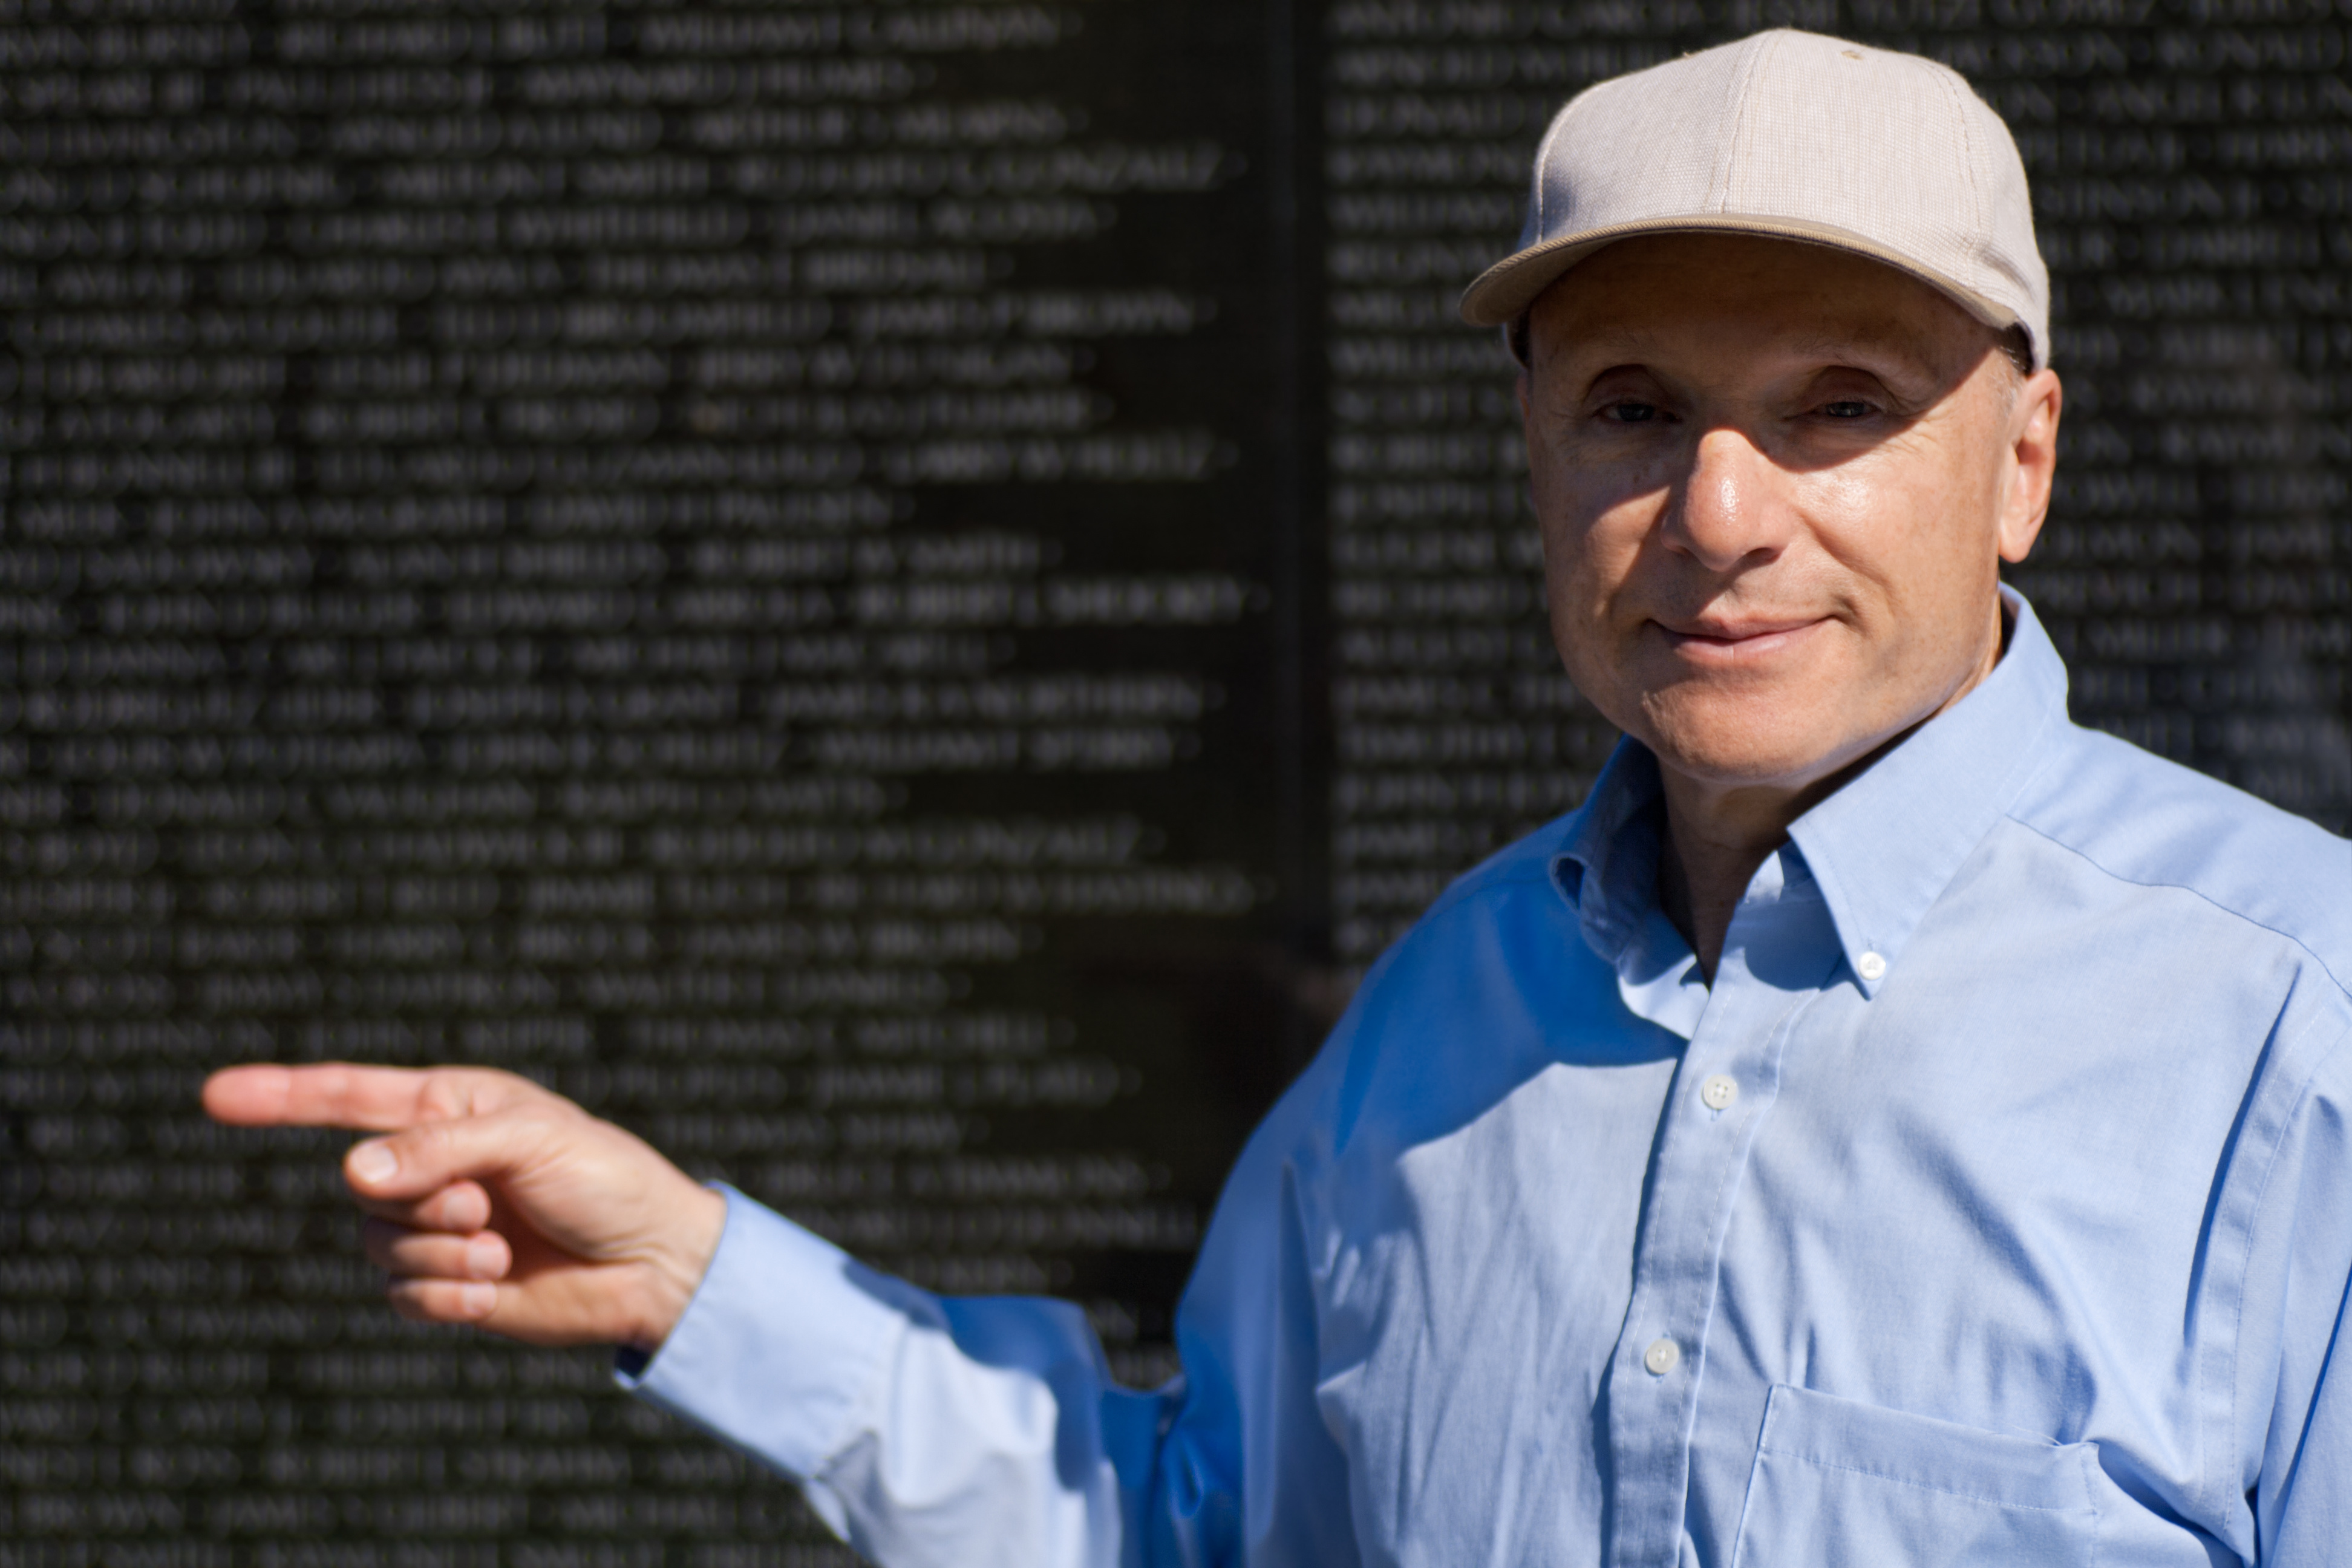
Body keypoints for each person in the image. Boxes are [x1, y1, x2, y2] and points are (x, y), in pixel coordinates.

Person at [204, 30, 2352, 1566]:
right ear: (1535, 457)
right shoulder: (1440, 1018)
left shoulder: (2294, 1031)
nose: (1719, 511)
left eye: (1839, 408)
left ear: (2027, 462)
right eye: (1634, 407)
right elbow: (1198, 1533)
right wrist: (700, 1275)